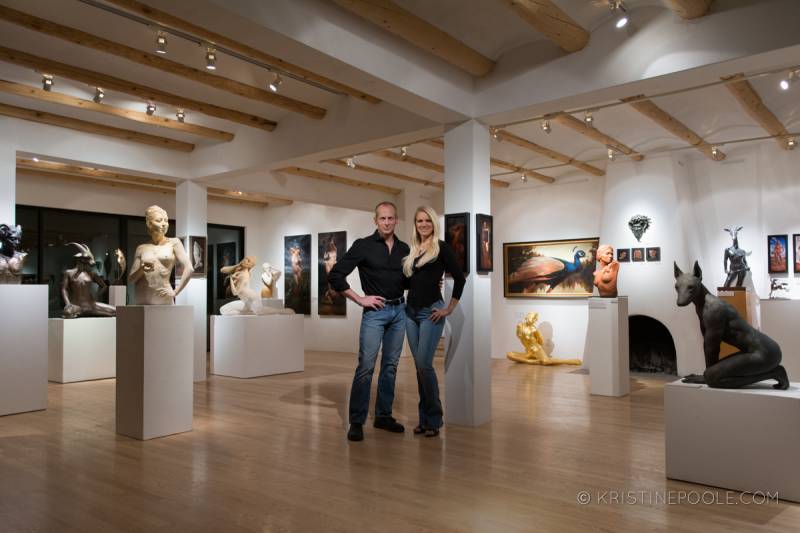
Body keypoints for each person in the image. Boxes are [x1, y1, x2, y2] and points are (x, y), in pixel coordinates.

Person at [329, 202, 410, 442]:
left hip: (399, 312)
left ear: (396, 220)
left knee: (391, 366)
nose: (387, 222)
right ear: (375, 221)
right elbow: (336, 275)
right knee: (366, 366)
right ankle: (356, 421)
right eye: (382, 218)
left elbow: (405, 282)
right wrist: (359, 299)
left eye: (391, 218)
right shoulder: (363, 245)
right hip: (375, 313)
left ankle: (383, 416)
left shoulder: (404, 248)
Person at [403, 206, 465, 437]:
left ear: (433, 223)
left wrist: (448, 308)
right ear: (415, 224)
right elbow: (410, 282)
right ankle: (424, 420)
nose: (423, 224)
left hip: (431, 312)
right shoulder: (412, 249)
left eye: (427, 220)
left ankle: (435, 419)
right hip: (410, 312)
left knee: (424, 365)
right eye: (419, 221)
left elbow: (459, 278)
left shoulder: (441, 247)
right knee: (419, 368)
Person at [129, 205, 193, 305]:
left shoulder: (174, 243)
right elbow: (131, 279)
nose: (164, 224)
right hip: (143, 297)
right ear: (149, 223)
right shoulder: (141, 248)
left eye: (166, 221)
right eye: (159, 220)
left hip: (164, 296)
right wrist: (142, 269)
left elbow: (189, 268)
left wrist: (176, 291)